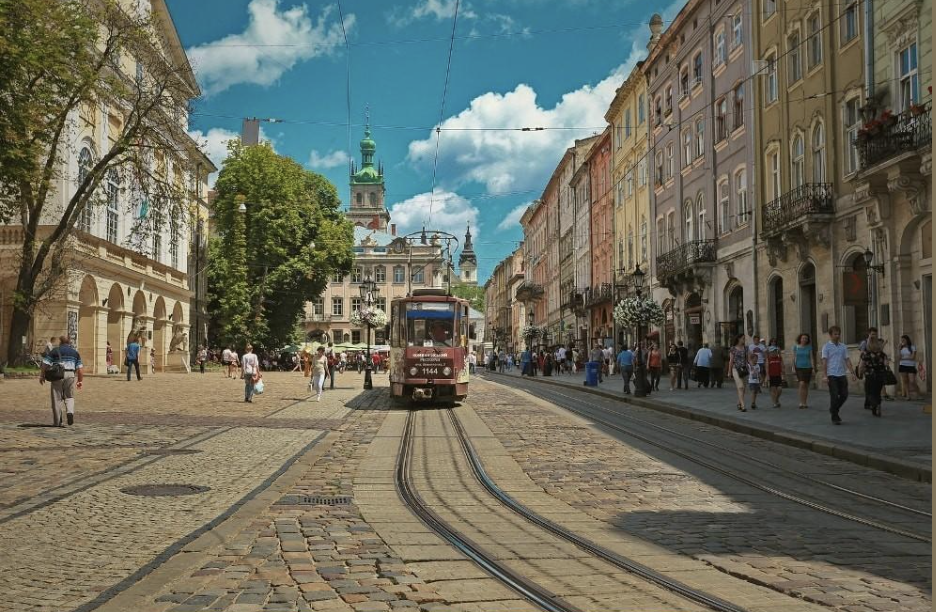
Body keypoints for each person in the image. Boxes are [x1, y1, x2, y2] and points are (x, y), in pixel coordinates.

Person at [40, 335, 84, 426]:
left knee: (56, 398)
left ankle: (57, 422)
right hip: (70, 375)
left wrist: (42, 375)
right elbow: (80, 369)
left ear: (60, 342)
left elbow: (45, 363)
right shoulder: (74, 353)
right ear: (69, 343)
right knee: (69, 396)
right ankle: (70, 412)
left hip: (57, 375)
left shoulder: (55, 351)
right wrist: (80, 381)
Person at [822, 325, 857, 425]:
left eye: (838, 334)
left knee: (844, 394)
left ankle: (833, 409)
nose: (837, 336)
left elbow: (847, 360)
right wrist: (825, 375)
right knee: (834, 395)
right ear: (830, 335)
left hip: (841, 373)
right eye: (835, 334)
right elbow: (824, 361)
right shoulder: (826, 346)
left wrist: (852, 373)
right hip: (831, 374)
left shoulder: (843, 346)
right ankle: (835, 416)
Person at [859, 327, 894, 401]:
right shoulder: (864, 342)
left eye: (875, 334)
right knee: (869, 384)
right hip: (868, 367)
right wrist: (861, 370)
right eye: (872, 334)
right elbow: (862, 354)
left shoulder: (878, 342)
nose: (874, 336)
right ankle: (869, 399)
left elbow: (881, 351)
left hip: (878, 366)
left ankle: (882, 396)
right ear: (869, 334)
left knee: (880, 382)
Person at [859, 338, 888, 417]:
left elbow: (861, 366)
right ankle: (877, 407)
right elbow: (886, 364)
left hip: (870, 376)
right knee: (877, 393)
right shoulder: (883, 354)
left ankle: (874, 405)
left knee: (869, 393)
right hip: (880, 376)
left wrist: (860, 373)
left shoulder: (866, 354)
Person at [792, 333, 814, 410]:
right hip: (799, 367)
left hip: (808, 367)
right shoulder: (796, 347)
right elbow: (794, 358)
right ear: (800, 339)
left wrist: (813, 367)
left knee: (806, 386)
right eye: (803, 338)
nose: (804, 339)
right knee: (801, 383)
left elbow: (811, 358)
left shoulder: (809, 347)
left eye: (806, 338)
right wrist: (793, 368)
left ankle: (805, 402)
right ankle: (801, 402)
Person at [727, 334, 748, 411]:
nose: (744, 340)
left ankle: (739, 402)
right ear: (739, 339)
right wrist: (729, 372)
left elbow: (748, 359)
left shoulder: (746, 348)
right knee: (740, 387)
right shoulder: (733, 349)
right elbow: (731, 361)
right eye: (743, 338)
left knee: (743, 388)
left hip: (744, 369)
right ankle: (743, 406)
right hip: (736, 369)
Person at [897, 335, 919, 401]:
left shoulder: (912, 347)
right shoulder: (901, 348)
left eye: (903, 340)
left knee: (912, 381)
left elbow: (913, 357)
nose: (902, 341)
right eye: (901, 340)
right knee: (905, 381)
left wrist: (903, 358)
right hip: (902, 366)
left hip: (911, 366)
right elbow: (899, 358)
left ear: (907, 340)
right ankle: (908, 395)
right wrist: (898, 349)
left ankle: (918, 393)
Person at [766, 343, 784, 408]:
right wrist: (767, 377)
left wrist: (783, 375)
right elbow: (767, 368)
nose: (774, 353)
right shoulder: (768, 359)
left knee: (780, 389)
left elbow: (782, 367)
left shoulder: (779, 358)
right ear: (770, 352)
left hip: (778, 375)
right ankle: (774, 403)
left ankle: (776, 400)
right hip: (771, 376)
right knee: (773, 390)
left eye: (775, 351)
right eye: (772, 351)